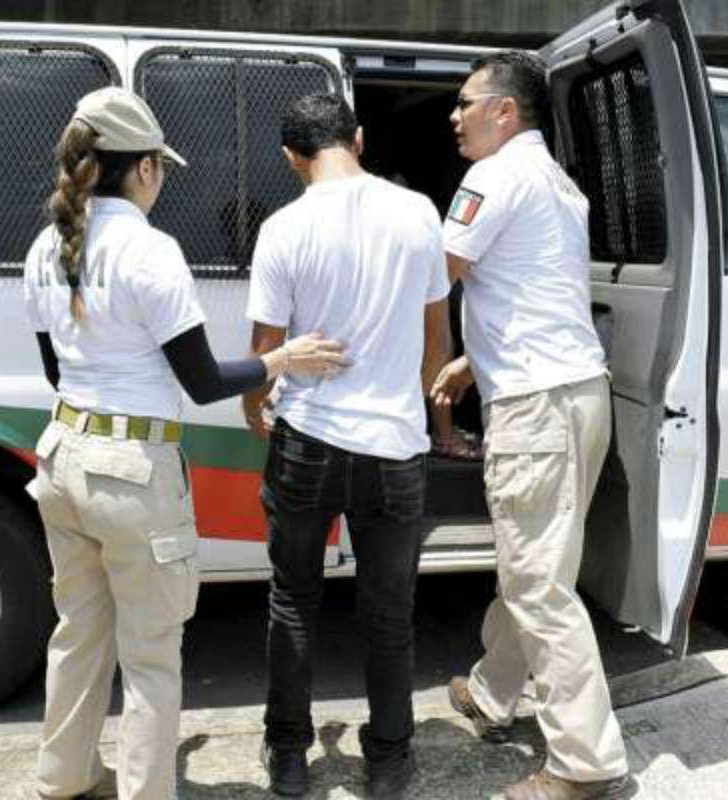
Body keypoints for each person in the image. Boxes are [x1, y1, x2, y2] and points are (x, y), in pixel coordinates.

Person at [23, 87, 347, 800]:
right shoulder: (149, 250)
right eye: (160, 167)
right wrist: (281, 360)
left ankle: (63, 777)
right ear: (142, 167)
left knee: (78, 633)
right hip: (132, 473)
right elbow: (201, 381)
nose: (162, 178)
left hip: (61, 455)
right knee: (149, 654)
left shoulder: (46, 246)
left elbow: (55, 370)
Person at [432, 53, 632, 800]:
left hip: (534, 408)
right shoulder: (557, 183)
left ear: (504, 111)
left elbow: (433, 274)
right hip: (579, 393)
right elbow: (536, 291)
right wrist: (473, 362)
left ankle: (585, 763)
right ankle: (493, 693)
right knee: (540, 567)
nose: (455, 116)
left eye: (466, 102)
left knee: (539, 585)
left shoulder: (492, 177)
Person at [241, 92, 451, 799]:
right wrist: (416, 411)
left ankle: (289, 757)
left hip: (308, 438)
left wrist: (254, 408)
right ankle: (389, 761)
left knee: (293, 600)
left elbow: (266, 348)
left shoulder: (283, 227)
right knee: (389, 614)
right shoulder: (419, 213)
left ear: (291, 158)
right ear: (358, 139)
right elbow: (436, 336)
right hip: (395, 446)